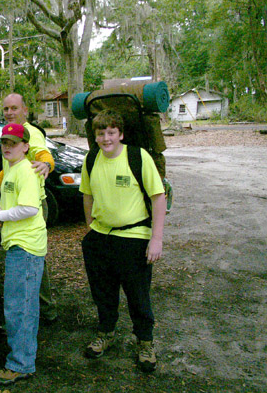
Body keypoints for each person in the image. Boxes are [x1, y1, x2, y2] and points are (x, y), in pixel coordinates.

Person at [79, 109, 166, 373]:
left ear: (121, 134)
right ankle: (106, 333)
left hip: (133, 238)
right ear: (95, 136)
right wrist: (90, 229)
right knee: (103, 293)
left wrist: (156, 238)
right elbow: (87, 194)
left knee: (138, 295)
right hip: (100, 239)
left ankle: (145, 342)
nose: (106, 138)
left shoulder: (138, 157)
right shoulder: (91, 158)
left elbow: (158, 197)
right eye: (101, 133)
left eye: (111, 133)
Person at [0, 93, 57, 321]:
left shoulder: (30, 133)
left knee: (32, 259)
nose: (9, 112)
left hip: (30, 206)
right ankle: (33, 308)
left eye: (14, 108)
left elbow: (44, 154)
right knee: (27, 259)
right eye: (6, 109)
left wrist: (46, 164)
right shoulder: (10, 137)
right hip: (15, 208)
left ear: (24, 110)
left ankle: (42, 310)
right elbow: (6, 172)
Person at [0, 123, 47, 385]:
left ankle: (20, 363)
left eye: (13, 143)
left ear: (26, 146)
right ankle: (23, 357)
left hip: (25, 247)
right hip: (19, 243)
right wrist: (1, 218)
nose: (7, 147)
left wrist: (1, 216)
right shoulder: (12, 168)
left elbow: (29, 209)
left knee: (19, 307)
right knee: (23, 305)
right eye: (4, 143)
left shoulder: (26, 170)